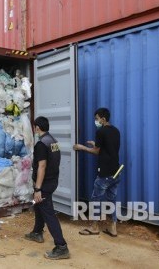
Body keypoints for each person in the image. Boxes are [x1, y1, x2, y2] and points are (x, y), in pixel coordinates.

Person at [24, 116, 70, 260]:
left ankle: (61, 246)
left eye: (34, 127)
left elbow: (42, 166)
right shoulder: (53, 141)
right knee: (39, 206)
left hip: (44, 184)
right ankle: (37, 232)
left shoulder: (41, 144)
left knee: (48, 212)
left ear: (37, 127)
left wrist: (38, 189)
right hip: (52, 181)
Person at [73, 107, 121, 237]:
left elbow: (96, 151)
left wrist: (82, 147)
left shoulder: (101, 131)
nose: (95, 121)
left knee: (95, 199)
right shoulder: (116, 131)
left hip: (105, 173)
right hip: (116, 172)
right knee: (112, 200)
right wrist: (96, 144)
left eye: (96, 119)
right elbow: (109, 147)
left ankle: (94, 227)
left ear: (103, 119)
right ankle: (113, 228)